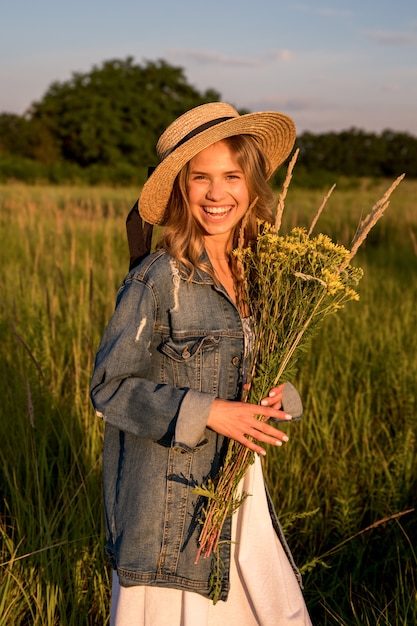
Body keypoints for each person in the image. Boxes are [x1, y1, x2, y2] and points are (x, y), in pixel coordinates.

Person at [90, 102, 312, 625]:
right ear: (179, 191)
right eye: (200, 178)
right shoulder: (156, 278)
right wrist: (209, 412)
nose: (217, 194)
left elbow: (260, 369)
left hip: (240, 493)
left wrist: (284, 400)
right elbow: (109, 388)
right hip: (174, 507)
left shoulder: (261, 273)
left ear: (252, 185)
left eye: (231, 176)